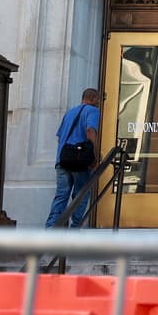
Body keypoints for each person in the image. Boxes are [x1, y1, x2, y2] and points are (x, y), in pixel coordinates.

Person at [44, 87, 100, 228]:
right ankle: (75, 228)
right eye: (98, 99)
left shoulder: (69, 113)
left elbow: (59, 136)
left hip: (62, 160)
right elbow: (90, 130)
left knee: (61, 196)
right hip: (80, 162)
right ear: (93, 98)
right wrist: (95, 154)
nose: (99, 102)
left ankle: (51, 228)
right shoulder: (93, 110)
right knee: (81, 195)